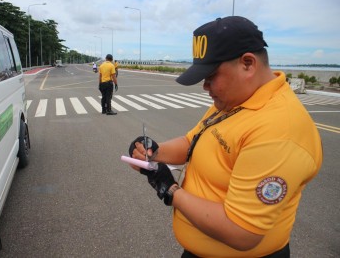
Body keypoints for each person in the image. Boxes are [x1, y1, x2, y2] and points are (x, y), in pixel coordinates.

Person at [128, 16, 322, 257]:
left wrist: (170, 189)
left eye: (211, 76)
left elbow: (240, 231)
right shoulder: (234, 100)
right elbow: (192, 141)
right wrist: (154, 152)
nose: (205, 86)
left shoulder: (279, 130)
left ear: (248, 64)